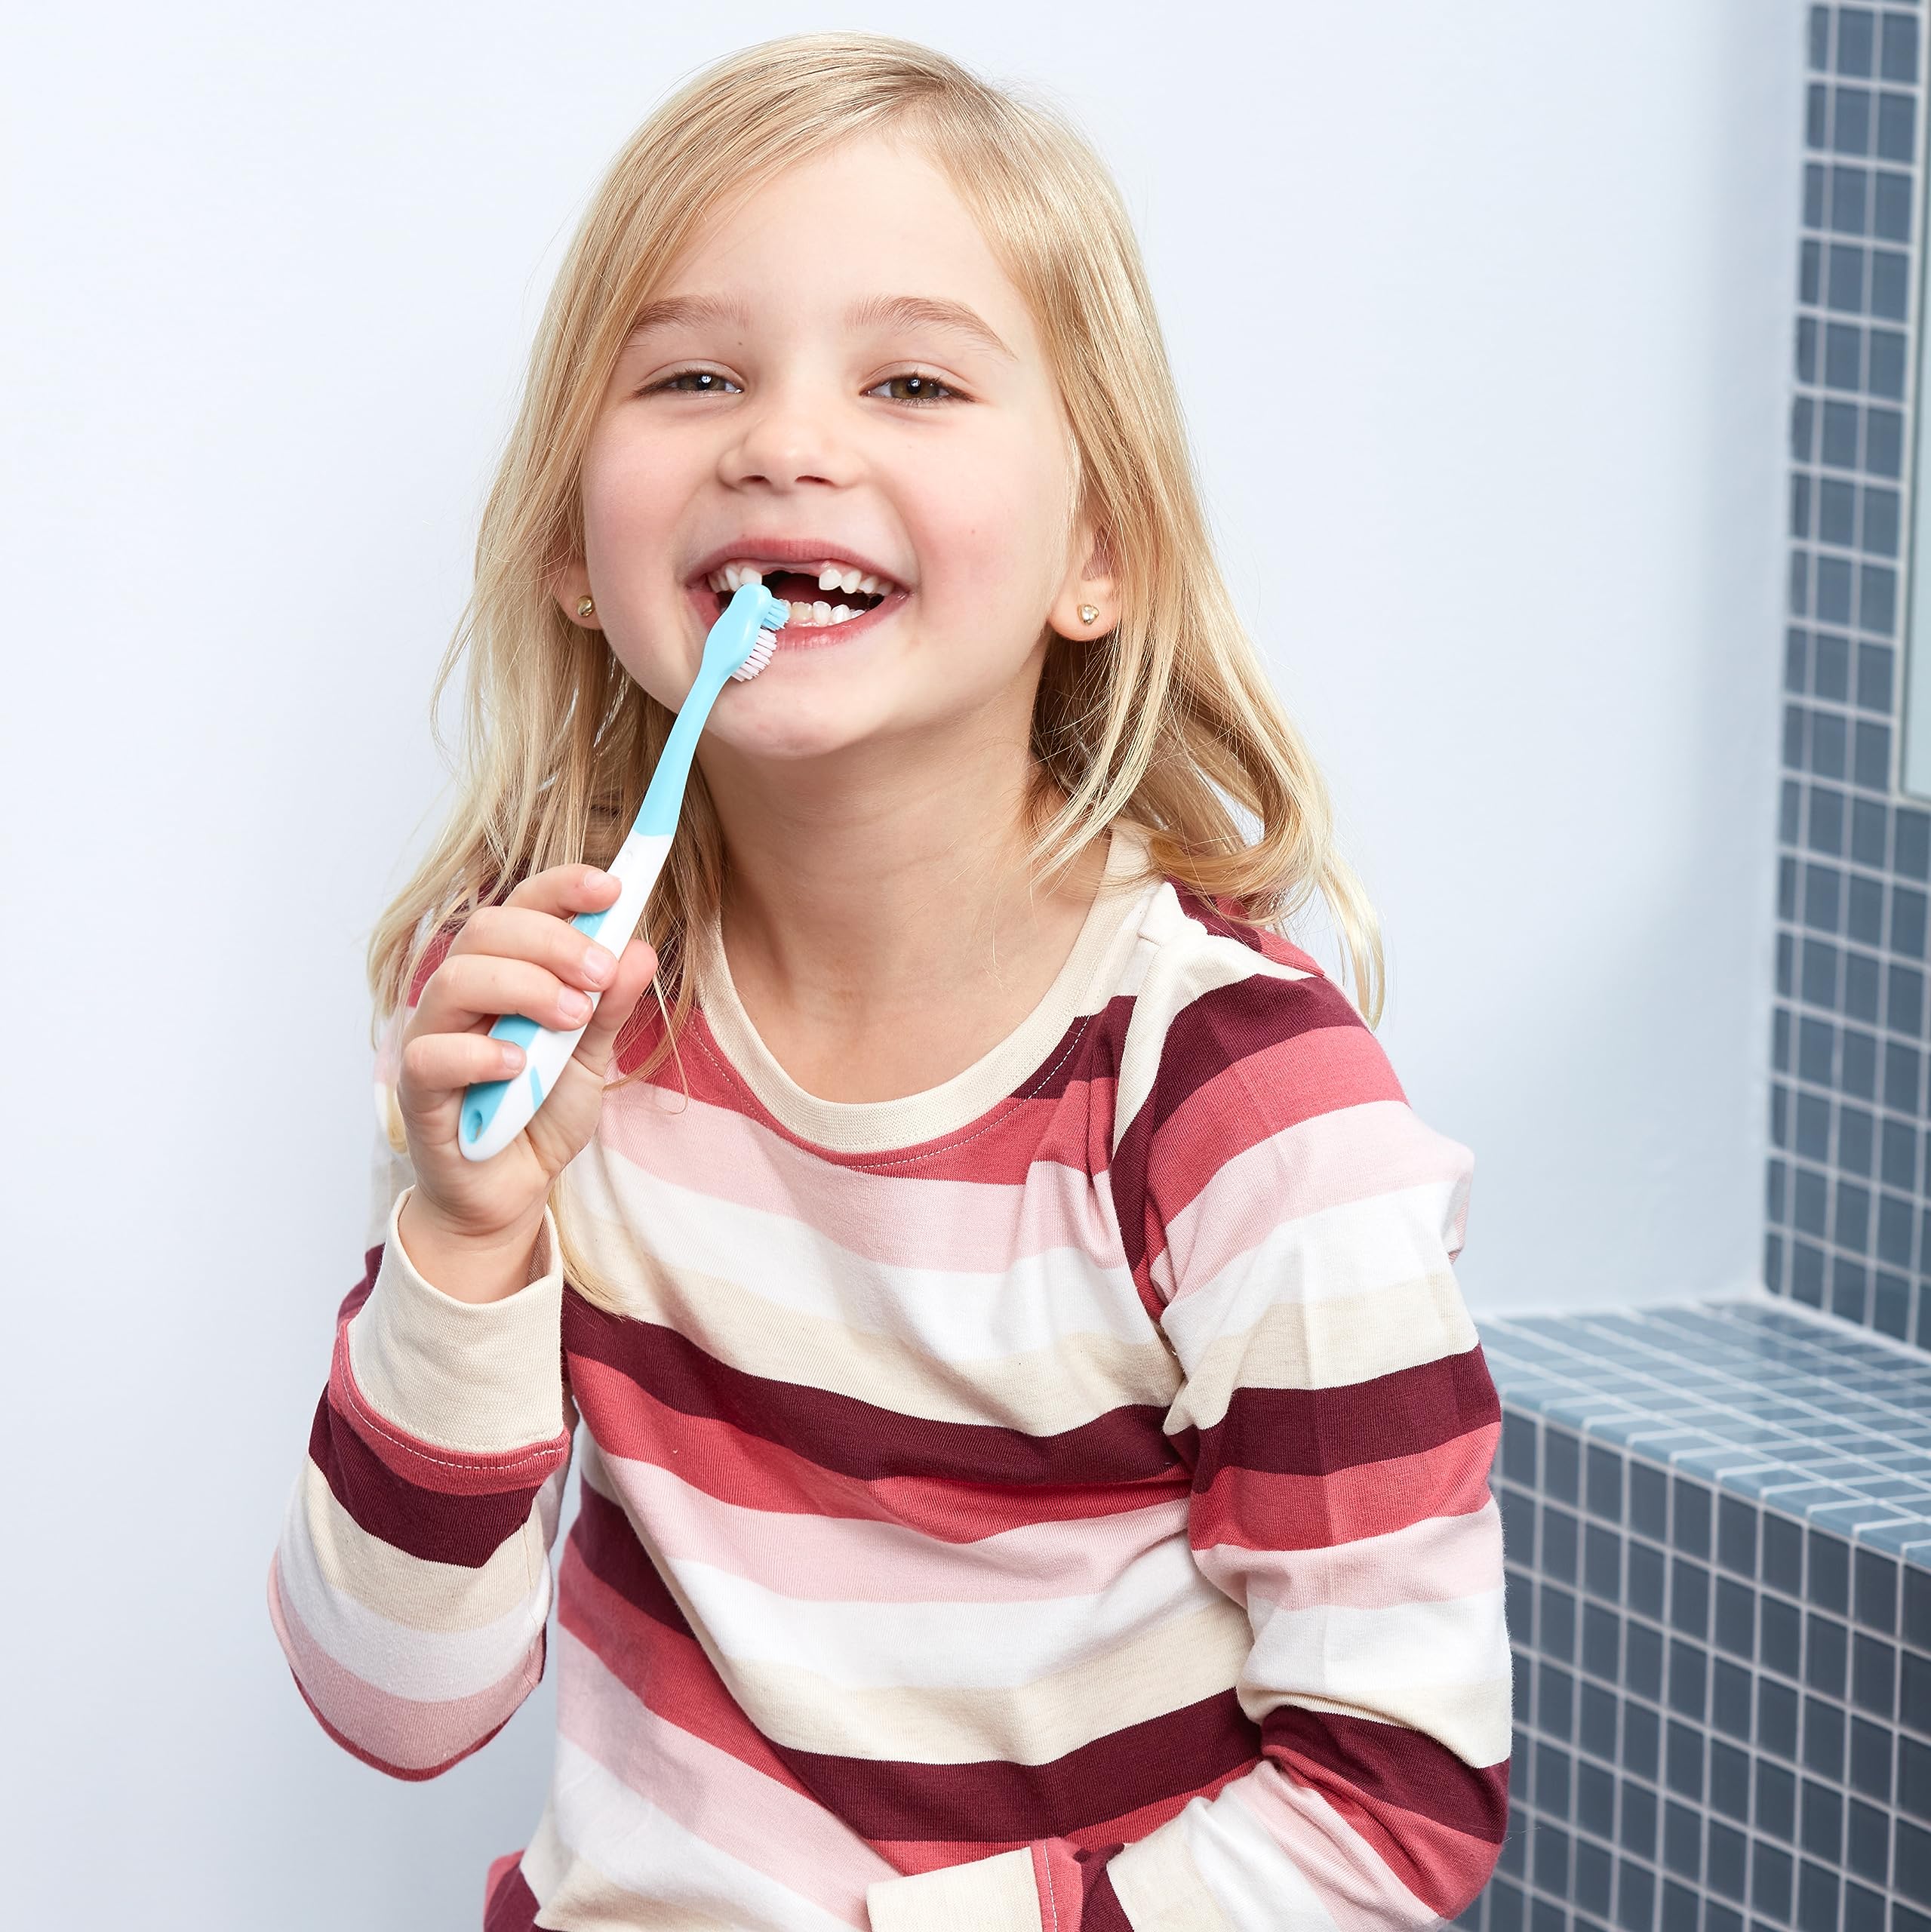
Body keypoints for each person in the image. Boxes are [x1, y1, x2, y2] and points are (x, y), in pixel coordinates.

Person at [267, 29, 1511, 1932]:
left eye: (912, 380)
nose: (782, 441)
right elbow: (395, 1700)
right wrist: (464, 1236)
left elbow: (1391, 1809)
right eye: (692, 376)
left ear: (1098, 550)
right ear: (576, 553)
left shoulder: (1236, 1103)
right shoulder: (543, 1021)